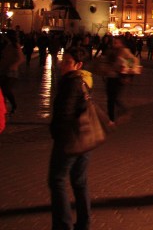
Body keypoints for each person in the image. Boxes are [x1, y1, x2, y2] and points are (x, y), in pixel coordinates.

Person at [49, 46, 95, 230]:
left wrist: (57, 134)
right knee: (79, 181)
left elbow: (65, 113)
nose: (62, 65)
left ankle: (63, 224)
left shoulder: (71, 82)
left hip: (70, 139)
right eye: (63, 60)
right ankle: (84, 223)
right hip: (86, 138)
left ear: (78, 64)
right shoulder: (85, 81)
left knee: (57, 179)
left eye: (67, 62)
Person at [101, 37, 139, 122]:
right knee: (110, 99)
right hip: (110, 77)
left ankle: (123, 111)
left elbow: (132, 61)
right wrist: (104, 71)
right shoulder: (110, 51)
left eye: (116, 43)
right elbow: (105, 63)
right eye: (114, 42)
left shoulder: (124, 51)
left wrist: (127, 72)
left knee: (115, 98)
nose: (114, 44)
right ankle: (111, 118)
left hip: (119, 78)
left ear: (121, 43)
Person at [0, 34, 24, 114]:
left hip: (12, 71)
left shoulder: (15, 45)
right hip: (3, 70)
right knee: (3, 90)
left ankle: (14, 105)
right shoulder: (5, 45)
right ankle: (3, 107)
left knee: (6, 89)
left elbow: (21, 58)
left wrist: (14, 65)